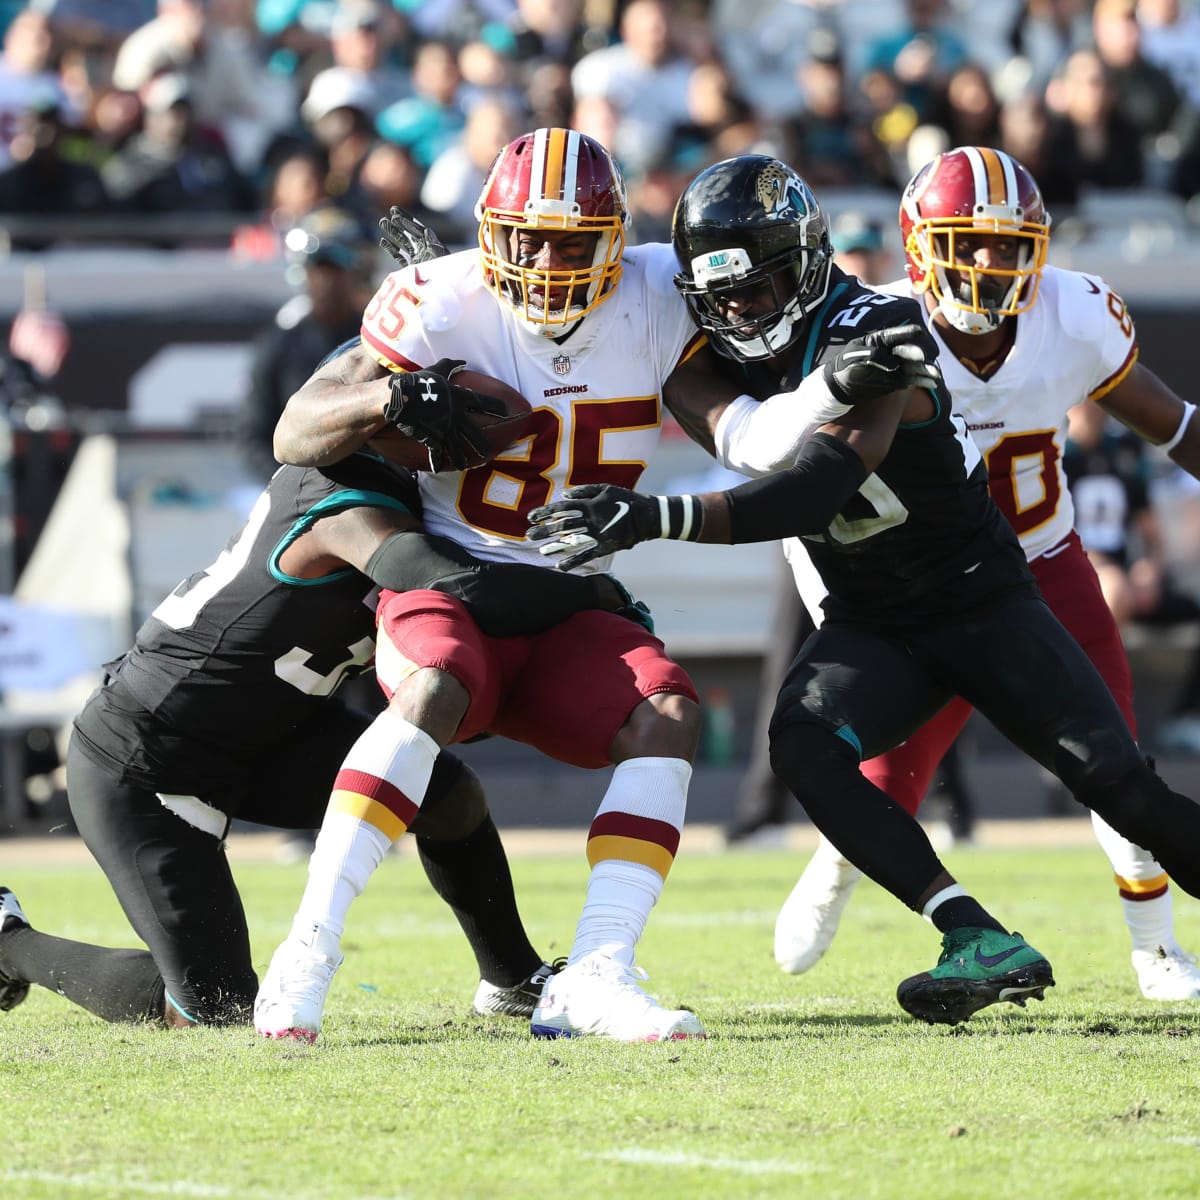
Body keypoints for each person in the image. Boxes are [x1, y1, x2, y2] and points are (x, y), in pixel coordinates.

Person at [526, 151, 1200, 1026]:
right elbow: (754, 443)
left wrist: (655, 517)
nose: (739, 311)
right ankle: (972, 934)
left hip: (979, 599)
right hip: (872, 617)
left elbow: (816, 485)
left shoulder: (881, 324)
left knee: (1126, 793)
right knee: (803, 744)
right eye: (721, 296)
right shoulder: (709, 354)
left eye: (759, 288)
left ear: (806, 264)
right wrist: (817, 390)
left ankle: (1150, 937)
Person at [252, 128, 739, 1043]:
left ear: (615, 240)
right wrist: (391, 398)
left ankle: (594, 973)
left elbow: (728, 416)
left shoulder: (660, 295)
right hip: (455, 581)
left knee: (668, 712)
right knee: (434, 684)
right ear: (492, 233)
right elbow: (295, 430)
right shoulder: (439, 302)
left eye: (571, 242)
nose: (547, 264)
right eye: (528, 239)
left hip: (565, 599)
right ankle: (306, 949)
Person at [0, 437, 636, 1027]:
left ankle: (512, 977)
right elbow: (463, 586)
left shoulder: (415, 497)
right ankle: (10, 946)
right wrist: (594, 595)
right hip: (152, 754)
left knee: (446, 793)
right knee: (214, 1008)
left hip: (276, 732)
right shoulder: (342, 496)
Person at [766, 145, 1200, 1001]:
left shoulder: (1072, 315)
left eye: (1010, 245)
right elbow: (813, 493)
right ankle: (840, 861)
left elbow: (1176, 425)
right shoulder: (876, 331)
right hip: (923, 582)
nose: (991, 263)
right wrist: (839, 611)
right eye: (969, 242)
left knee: (1115, 760)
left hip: (1042, 559)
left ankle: (1155, 945)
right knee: (889, 771)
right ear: (920, 245)